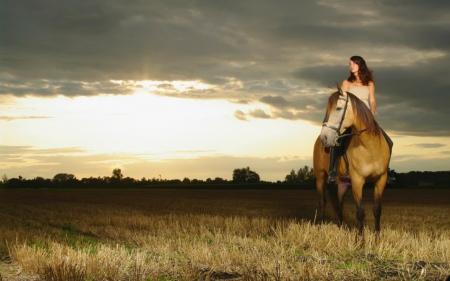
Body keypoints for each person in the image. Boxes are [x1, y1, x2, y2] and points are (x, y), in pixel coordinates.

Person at [327, 56, 392, 184]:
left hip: (367, 118)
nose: (351, 66)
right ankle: (332, 172)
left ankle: (385, 171)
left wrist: (372, 110)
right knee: (337, 141)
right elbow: (343, 101)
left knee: (388, 141)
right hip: (352, 117)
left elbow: (372, 100)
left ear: (360, 65)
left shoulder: (369, 83)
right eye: (350, 64)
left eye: (354, 64)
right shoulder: (346, 83)